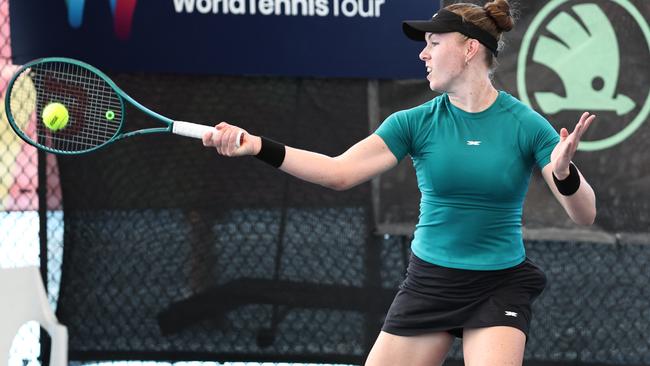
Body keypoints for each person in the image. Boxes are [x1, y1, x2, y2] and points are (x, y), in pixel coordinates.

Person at [202, 0, 597, 364]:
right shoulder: (414, 122)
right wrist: (256, 146)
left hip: (498, 286)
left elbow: (584, 214)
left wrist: (564, 173)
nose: (423, 54)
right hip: (431, 283)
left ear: (469, 49)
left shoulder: (524, 124)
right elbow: (339, 173)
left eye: (433, 42)